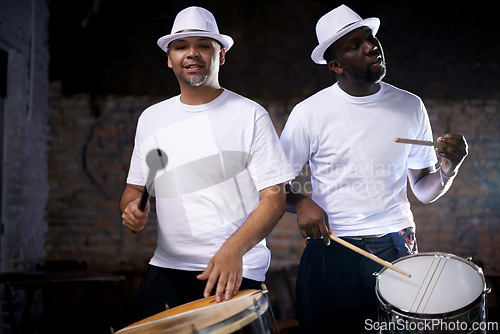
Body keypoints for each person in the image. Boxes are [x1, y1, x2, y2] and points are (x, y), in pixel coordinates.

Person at [279, 4, 468, 333]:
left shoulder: (409, 105)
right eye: (356, 45)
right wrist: (300, 202)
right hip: (333, 246)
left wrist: (448, 169)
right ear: (335, 65)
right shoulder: (309, 113)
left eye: (370, 38)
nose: (371, 46)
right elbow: (272, 184)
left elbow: (422, 188)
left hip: (395, 243)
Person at [120, 6, 294, 323]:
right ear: (169, 57)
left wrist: (233, 250)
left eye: (203, 45)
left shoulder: (250, 115)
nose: (192, 54)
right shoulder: (152, 118)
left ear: (221, 55)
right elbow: (133, 190)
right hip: (167, 267)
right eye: (182, 46)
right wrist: (132, 211)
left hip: (232, 268)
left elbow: (275, 198)